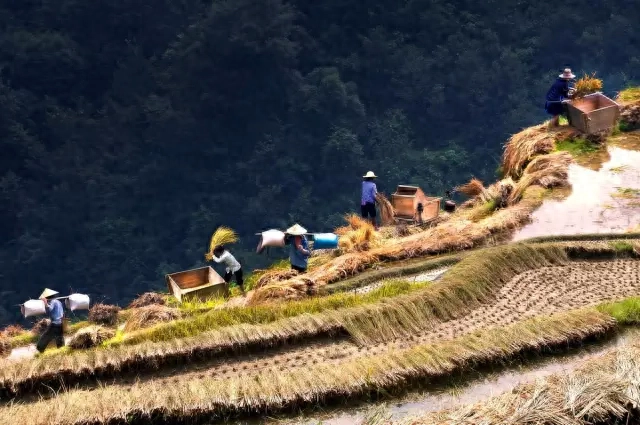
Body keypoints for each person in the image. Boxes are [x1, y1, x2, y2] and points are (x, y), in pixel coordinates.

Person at [36, 288, 65, 353]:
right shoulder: (59, 302)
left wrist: (45, 303)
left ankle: (40, 350)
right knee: (60, 339)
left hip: (54, 325)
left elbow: (49, 309)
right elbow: (63, 314)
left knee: (45, 338)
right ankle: (62, 351)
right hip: (60, 324)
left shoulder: (53, 302)